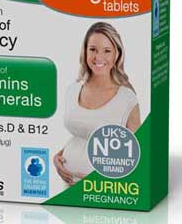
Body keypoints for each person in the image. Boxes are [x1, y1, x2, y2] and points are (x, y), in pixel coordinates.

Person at [54, 22, 141, 186]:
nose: (98, 57)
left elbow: (137, 155)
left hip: (104, 191)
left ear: (117, 54)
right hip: (66, 186)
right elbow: (81, 136)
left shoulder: (127, 98)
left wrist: (100, 180)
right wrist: (57, 157)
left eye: (107, 50)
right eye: (93, 49)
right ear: (85, 51)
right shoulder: (73, 90)